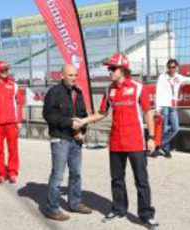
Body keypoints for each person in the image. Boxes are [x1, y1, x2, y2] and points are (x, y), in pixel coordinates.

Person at [73, 53, 159, 229]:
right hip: (116, 143)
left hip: (136, 143)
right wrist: (83, 121)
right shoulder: (108, 89)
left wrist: (151, 137)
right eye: (109, 68)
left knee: (141, 180)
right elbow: (102, 112)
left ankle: (146, 215)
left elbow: (148, 113)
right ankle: (119, 209)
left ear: (123, 69)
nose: (109, 71)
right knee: (116, 179)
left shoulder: (139, 88)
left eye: (112, 68)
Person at [43, 64, 92, 221]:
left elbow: (83, 115)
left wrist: (82, 131)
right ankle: (52, 208)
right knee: (58, 176)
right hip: (60, 139)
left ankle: (75, 203)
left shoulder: (78, 93)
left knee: (76, 174)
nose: (74, 78)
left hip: (75, 140)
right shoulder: (54, 93)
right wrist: (70, 123)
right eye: (71, 75)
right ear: (62, 75)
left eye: (75, 75)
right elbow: (49, 116)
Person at [155, 59, 190, 158]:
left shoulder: (178, 77)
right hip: (164, 106)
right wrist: (157, 108)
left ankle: (159, 144)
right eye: (170, 67)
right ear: (167, 67)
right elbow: (158, 92)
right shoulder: (162, 77)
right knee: (164, 129)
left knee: (175, 128)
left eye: (174, 67)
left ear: (177, 67)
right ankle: (166, 149)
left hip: (173, 106)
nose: (172, 69)